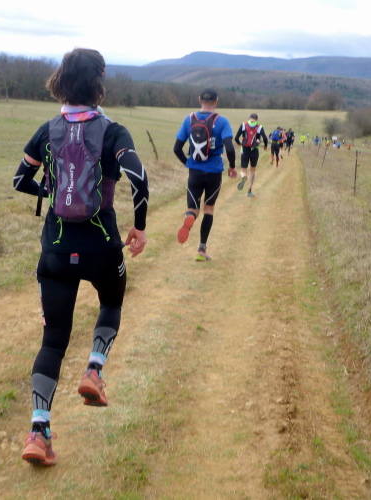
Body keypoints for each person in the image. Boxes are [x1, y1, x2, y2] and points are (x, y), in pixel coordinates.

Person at [13, 48, 150, 467]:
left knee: (53, 340)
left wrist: (52, 192)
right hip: (102, 246)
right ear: (98, 83)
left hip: (55, 250)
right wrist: (139, 226)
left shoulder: (46, 130)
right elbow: (139, 178)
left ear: (61, 81)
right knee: (111, 303)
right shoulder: (113, 131)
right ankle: (94, 370)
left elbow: (20, 179)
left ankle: (38, 433)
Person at [173, 88, 236, 261]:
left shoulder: (189, 120)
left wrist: (188, 163)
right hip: (214, 172)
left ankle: (190, 217)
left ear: (199, 99)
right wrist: (232, 167)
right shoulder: (222, 121)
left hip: (195, 172)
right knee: (208, 209)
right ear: (217, 101)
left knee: (193, 208)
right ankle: (201, 250)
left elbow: (176, 148)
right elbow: (230, 148)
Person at [234, 113, 268, 197]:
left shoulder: (243, 125)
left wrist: (240, 143)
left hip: (244, 150)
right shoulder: (259, 127)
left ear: (249, 118)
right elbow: (265, 138)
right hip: (254, 150)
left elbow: (236, 138)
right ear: (256, 120)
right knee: (252, 170)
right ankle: (249, 190)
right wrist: (265, 146)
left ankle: (243, 177)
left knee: (243, 169)